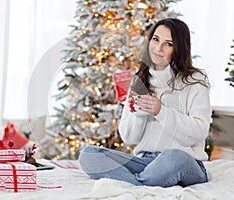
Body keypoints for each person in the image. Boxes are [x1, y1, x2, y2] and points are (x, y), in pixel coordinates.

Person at [78, 18, 212, 187]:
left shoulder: (195, 81)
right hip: (147, 162)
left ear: (179, 48)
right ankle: (142, 183)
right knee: (89, 154)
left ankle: (135, 184)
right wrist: (139, 113)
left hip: (185, 162)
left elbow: (199, 131)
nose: (158, 48)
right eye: (155, 39)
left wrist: (161, 111)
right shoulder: (139, 81)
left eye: (168, 44)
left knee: (173, 156)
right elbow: (129, 138)